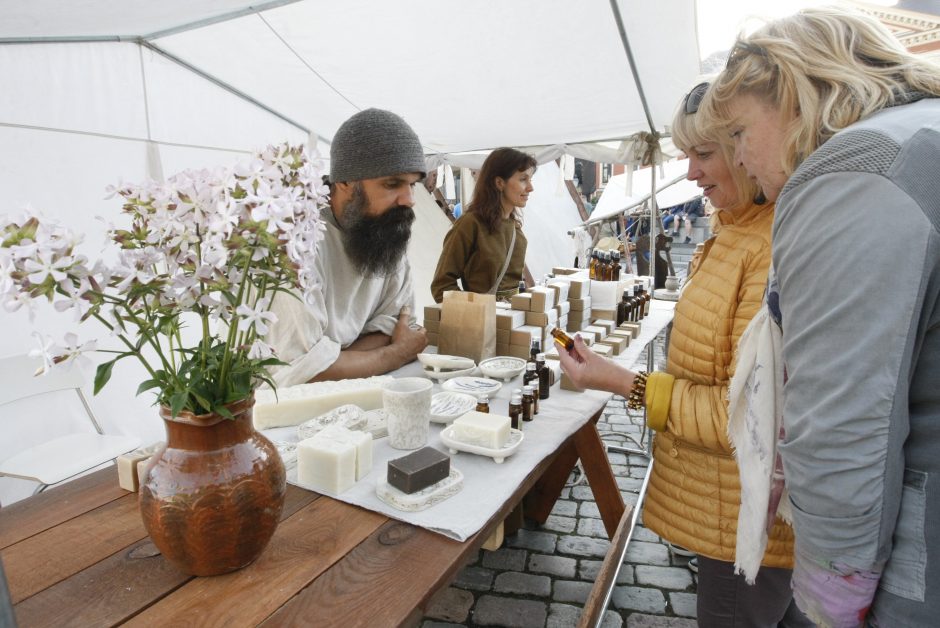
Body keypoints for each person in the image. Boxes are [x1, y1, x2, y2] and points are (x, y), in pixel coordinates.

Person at [706, 7, 940, 626]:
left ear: (794, 88)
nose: (739, 159)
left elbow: (842, 426)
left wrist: (827, 606)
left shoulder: (855, 172)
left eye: (737, 131)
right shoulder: (921, 138)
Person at [559, 80, 811, 627]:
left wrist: (625, 382)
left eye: (704, 154)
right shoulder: (736, 231)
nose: (690, 173)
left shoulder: (768, 247)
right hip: (729, 510)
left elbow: (746, 415)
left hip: (743, 522)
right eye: (686, 155)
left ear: (750, 148)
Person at [267, 108, 428, 385]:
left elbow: (394, 325)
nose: (409, 199)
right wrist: (397, 353)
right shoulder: (294, 241)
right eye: (392, 184)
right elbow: (300, 372)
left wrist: (335, 360)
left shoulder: (385, 232)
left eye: (412, 184)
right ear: (344, 182)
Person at [430, 148, 536, 302]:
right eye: (523, 179)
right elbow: (441, 285)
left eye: (530, 180)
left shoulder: (515, 228)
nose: (530, 188)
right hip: (482, 320)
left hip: (512, 319)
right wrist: (476, 312)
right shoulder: (470, 224)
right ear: (499, 183)